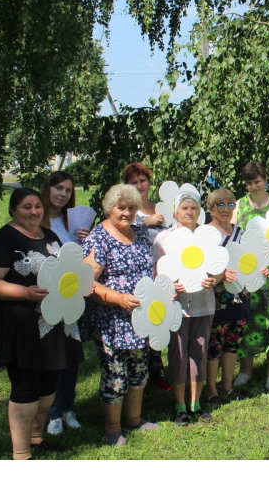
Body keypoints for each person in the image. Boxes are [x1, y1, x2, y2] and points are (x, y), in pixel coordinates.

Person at [0, 188, 82, 459]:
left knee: (48, 389)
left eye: (37, 206)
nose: (34, 211)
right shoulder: (4, 239)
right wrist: (24, 292)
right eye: (26, 207)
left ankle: (37, 437)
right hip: (21, 326)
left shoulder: (49, 235)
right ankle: (21, 455)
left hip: (54, 324)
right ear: (13, 210)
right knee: (25, 389)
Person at [82, 184, 160, 446]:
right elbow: (87, 283)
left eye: (132, 208)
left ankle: (134, 420)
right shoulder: (98, 238)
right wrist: (117, 298)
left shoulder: (139, 232)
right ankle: (112, 429)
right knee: (116, 377)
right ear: (109, 209)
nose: (127, 213)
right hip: (112, 321)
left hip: (141, 318)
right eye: (121, 208)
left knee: (139, 373)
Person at [152, 191, 216, 425]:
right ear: (175, 212)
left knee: (199, 353)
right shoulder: (163, 239)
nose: (189, 212)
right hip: (175, 306)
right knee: (178, 355)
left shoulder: (209, 236)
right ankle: (180, 406)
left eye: (193, 208)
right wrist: (171, 283)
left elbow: (218, 266)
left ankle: (196, 404)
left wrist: (215, 280)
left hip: (204, 303)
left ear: (200, 211)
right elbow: (157, 272)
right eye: (184, 208)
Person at [232, 161, 269, 392]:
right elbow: (233, 239)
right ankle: (245, 372)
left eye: (257, 181)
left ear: (265, 180)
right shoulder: (239, 206)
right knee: (247, 322)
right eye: (249, 183)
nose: (254, 186)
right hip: (249, 274)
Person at [40, 171, 89, 436]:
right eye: (58, 188)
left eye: (68, 190)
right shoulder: (38, 220)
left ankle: (68, 409)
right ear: (47, 188)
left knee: (71, 356)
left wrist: (84, 238)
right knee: (53, 357)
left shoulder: (73, 222)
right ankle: (53, 413)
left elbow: (80, 259)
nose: (62, 194)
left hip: (73, 296)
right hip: (49, 298)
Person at [122, 162, 170, 392]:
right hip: (140, 275)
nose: (139, 185)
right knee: (144, 322)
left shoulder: (162, 206)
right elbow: (120, 229)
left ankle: (157, 371)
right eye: (134, 182)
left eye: (142, 181)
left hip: (165, 272)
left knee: (160, 319)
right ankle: (140, 376)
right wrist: (144, 222)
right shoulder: (128, 209)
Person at [205, 188, 252, 405]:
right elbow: (200, 267)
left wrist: (258, 270)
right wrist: (221, 275)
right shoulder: (205, 235)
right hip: (215, 297)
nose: (226, 209)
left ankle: (228, 386)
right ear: (211, 209)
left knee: (233, 342)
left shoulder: (240, 233)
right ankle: (212, 390)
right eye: (220, 205)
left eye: (230, 204)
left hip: (240, 295)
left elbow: (249, 261)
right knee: (214, 343)